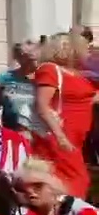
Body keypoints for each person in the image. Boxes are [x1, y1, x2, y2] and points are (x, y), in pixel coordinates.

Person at [33, 32, 96, 198]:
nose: (86, 52)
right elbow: (42, 105)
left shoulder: (78, 73)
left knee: (69, 179)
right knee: (77, 179)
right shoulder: (50, 69)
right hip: (59, 136)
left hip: (76, 138)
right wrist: (60, 137)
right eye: (83, 48)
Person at [0, 40, 41, 135]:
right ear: (17, 57)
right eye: (23, 56)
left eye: (32, 58)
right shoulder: (3, 78)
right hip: (13, 133)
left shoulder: (46, 78)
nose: (29, 62)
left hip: (40, 133)